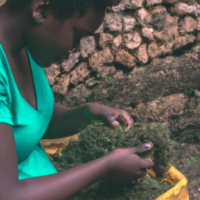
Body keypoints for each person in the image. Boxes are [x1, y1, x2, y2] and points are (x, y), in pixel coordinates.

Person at [0, 0, 154, 199]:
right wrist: (106, 166)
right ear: (40, 9)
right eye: (77, 35)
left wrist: (87, 113)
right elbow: (8, 194)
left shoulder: (24, 42)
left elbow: (28, 123)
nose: (75, 48)